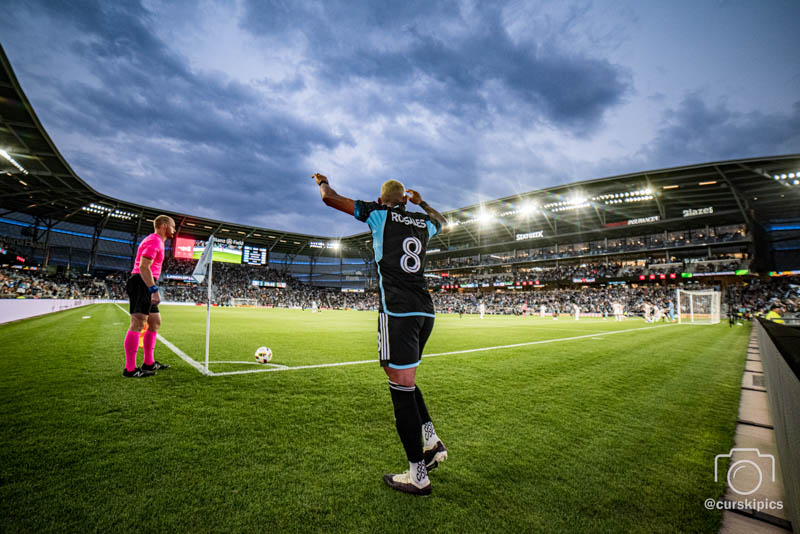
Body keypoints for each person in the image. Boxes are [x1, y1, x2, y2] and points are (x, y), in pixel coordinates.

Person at [314, 173, 448, 496]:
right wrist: (421, 203)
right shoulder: (421, 222)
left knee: (399, 389)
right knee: (403, 378)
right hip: (425, 312)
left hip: (398, 312)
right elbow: (441, 221)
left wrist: (322, 181)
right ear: (404, 199)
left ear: (381, 198)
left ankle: (418, 475)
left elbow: (330, 198)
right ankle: (430, 440)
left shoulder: (378, 214)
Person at [123, 215, 175, 378]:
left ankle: (149, 362)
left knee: (155, 322)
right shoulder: (154, 241)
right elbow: (143, 266)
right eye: (173, 226)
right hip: (141, 282)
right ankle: (130, 369)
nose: (174, 230)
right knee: (137, 323)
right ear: (164, 226)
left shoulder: (157, 241)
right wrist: (153, 289)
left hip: (144, 282)